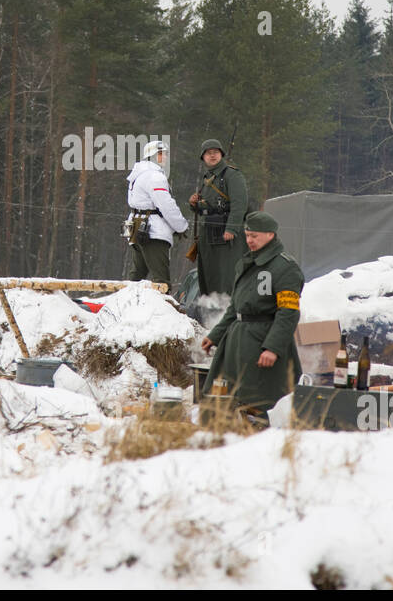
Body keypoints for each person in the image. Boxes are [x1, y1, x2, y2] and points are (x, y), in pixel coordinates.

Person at [200, 210, 304, 418]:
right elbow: (235, 308)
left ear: (270, 235)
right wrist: (216, 335)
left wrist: (272, 347)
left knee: (259, 400)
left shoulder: (285, 268)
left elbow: (288, 313)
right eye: (247, 235)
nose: (249, 241)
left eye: (254, 236)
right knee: (225, 395)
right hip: (236, 342)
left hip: (261, 342)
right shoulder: (246, 264)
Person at [188, 138, 248, 297]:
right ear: (203, 157)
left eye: (215, 152)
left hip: (226, 236)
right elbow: (208, 207)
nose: (212, 155)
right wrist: (194, 204)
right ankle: (212, 314)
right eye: (208, 153)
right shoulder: (208, 178)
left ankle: (228, 315)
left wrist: (232, 228)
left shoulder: (232, 174)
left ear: (221, 154)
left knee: (226, 279)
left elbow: (240, 204)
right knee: (209, 278)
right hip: (209, 234)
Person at [125, 140, 189, 286]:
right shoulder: (155, 176)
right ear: (152, 156)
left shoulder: (138, 174)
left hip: (136, 226)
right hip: (152, 230)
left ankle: (125, 305)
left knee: (137, 276)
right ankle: (161, 308)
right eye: (161, 153)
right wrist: (181, 226)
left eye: (165, 153)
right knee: (161, 281)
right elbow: (166, 205)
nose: (165, 157)